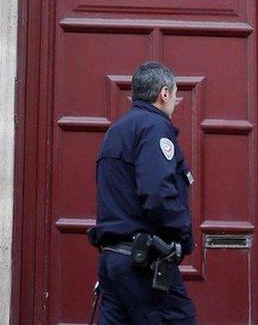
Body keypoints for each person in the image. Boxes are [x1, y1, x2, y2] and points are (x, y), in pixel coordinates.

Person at [87, 61, 197, 324]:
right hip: (143, 264)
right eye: (175, 95)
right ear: (164, 93)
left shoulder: (117, 130)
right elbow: (158, 194)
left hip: (113, 260)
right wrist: (184, 233)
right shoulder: (154, 127)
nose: (175, 103)